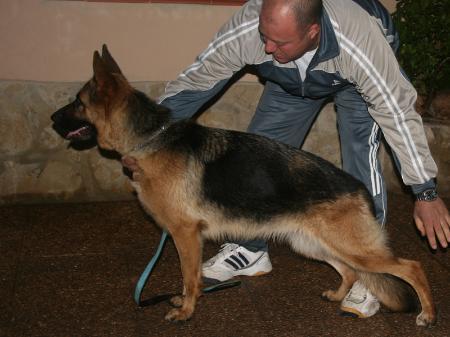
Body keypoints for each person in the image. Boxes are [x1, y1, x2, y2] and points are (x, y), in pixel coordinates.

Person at [158, 0, 450, 318]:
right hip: (289, 78)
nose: (266, 47)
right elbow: (196, 82)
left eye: (279, 41)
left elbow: (396, 111)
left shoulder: (358, 41)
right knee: (257, 158)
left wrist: (425, 190)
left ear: (313, 32)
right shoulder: (251, 30)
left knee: (359, 155)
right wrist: (147, 138)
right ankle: (251, 249)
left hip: (352, 76)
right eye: (264, 36)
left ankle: (370, 268)